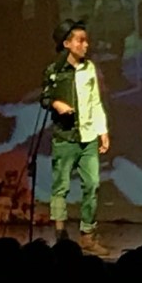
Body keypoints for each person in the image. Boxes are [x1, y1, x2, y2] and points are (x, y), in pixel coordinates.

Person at [39, 19, 111, 256]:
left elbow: (95, 101)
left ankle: (87, 235)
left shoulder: (89, 68)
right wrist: (57, 104)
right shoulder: (54, 71)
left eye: (86, 40)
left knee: (92, 185)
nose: (85, 45)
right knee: (61, 187)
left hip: (88, 137)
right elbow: (45, 98)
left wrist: (102, 131)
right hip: (65, 137)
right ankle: (60, 235)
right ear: (67, 43)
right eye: (80, 41)